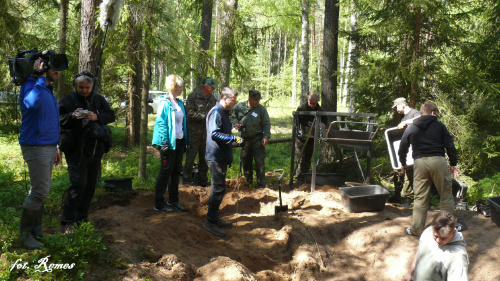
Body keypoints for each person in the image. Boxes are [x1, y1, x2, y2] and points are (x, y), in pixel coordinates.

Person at [59, 71, 115, 232]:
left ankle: (82, 219)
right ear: (75, 86)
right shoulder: (67, 100)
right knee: (78, 185)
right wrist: (72, 116)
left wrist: (96, 116)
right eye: (81, 87)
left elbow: (111, 116)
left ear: (92, 86)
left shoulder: (98, 99)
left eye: (87, 87)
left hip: (95, 150)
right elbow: (57, 119)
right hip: (75, 150)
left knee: (90, 186)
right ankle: (67, 222)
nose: (84, 90)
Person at [18, 55, 63, 249]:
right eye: (53, 68)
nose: (57, 72)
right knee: (39, 192)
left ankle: (36, 231)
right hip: (35, 146)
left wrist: (55, 146)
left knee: (40, 191)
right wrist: (38, 77)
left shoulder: (46, 88)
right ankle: (25, 235)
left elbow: (49, 119)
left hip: (46, 146)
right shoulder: (31, 85)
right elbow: (31, 104)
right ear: (42, 68)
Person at [398, 101, 461, 236]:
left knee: (420, 197)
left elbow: (402, 147)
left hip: (419, 163)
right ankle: (448, 229)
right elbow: (450, 145)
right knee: (445, 196)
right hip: (438, 161)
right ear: (433, 112)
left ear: (421, 113)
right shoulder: (440, 126)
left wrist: (403, 163)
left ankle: (416, 229)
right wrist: (453, 163)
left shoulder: (412, 127)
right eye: (436, 113)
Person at [203, 87, 241, 237]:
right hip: (215, 156)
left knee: (219, 188)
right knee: (218, 188)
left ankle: (214, 218)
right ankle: (210, 222)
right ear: (225, 98)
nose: (235, 103)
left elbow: (222, 131)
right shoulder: (216, 112)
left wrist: (232, 131)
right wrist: (233, 138)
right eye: (233, 100)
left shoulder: (224, 113)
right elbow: (215, 134)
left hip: (221, 156)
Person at [152, 75, 188, 213]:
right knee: (165, 171)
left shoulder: (179, 103)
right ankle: (159, 203)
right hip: (168, 143)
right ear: (173, 87)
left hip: (179, 141)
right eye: (180, 87)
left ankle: (173, 199)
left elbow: (182, 123)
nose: (181, 89)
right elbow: (161, 123)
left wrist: (185, 140)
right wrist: (164, 142)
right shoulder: (164, 103)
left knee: (176, 172)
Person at [402, 211, 468, 281]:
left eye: (443, 238)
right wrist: (409, 273)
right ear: (433, 227)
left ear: (453, 232)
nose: (438, 241)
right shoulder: (428, 231)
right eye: (436, 236)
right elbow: (420, 251)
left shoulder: (457, 258)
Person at [230, 89, 271, 188]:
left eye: (258, 100)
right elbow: (232, 117)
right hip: (245, 139)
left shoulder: (261, 109)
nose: (257, 102)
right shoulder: (239, 107)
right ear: (250, 99)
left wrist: (266, 136)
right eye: (255, 100)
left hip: (257, 139)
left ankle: (261, 184)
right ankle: (248, 183)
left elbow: (266, 123)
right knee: (246, 161)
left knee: (259, 162)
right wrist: (236, 124)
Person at [182, 77, 218, 187]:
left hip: (207, 134)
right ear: (206, 86)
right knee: (190, 158)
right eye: (212, 87)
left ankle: (203, 180)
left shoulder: (212, 99)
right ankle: (187, 180)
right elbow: (189, 113)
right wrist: (204, 117)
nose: (213, 90)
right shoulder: (193, 96)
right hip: (194, 133)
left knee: (204, 158)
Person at [389, 97, 421, 206]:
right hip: (405, 147)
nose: (395, 109)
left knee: (409, 173)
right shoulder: (403, 117)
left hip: (414, 148)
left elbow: (420, 119)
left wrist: (407, 122)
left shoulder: (414, 113)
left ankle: (408, 199)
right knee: (397, 172)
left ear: (402, 105)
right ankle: (397, 195)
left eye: (396, 106)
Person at [294, 93, 327, 183]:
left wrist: (323, 124)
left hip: (312, 137)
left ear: (317, 102)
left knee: (307, 158)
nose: (311, 105)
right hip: (301, 137)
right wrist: (306, 123)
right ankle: (299, 178)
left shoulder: (320, 110)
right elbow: (297, 119)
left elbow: (324, 119)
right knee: (300, 158)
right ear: (308, 100)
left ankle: (305, 177)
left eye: (314, 103)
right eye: (310, 103)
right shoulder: (302, 108)